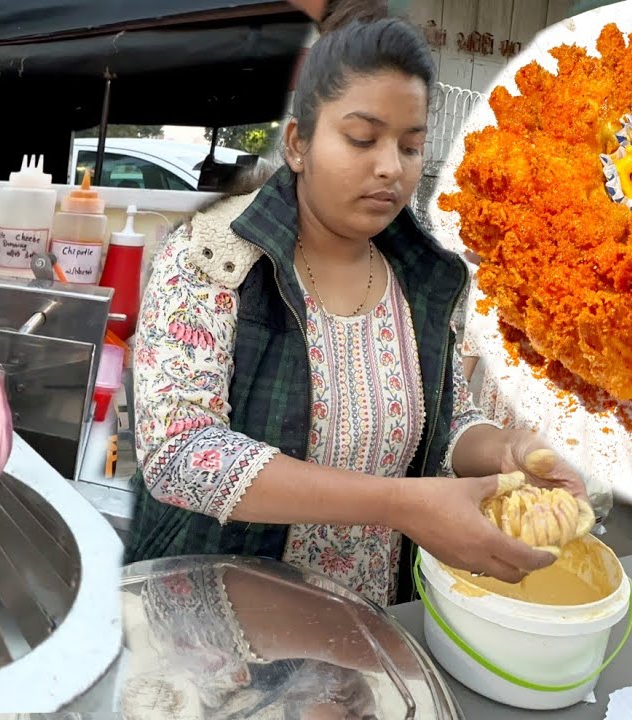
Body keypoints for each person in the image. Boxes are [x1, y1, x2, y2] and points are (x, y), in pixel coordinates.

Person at [125, 16, 588, 607]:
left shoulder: (423, 281)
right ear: (298, 143)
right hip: (224, 628)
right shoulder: (211, 260)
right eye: (363, 139)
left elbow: (445, 424)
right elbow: (180, 453)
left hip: (368, 622)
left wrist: (507, 453)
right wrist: (403, 504)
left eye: (411, 146)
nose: (391, 167)